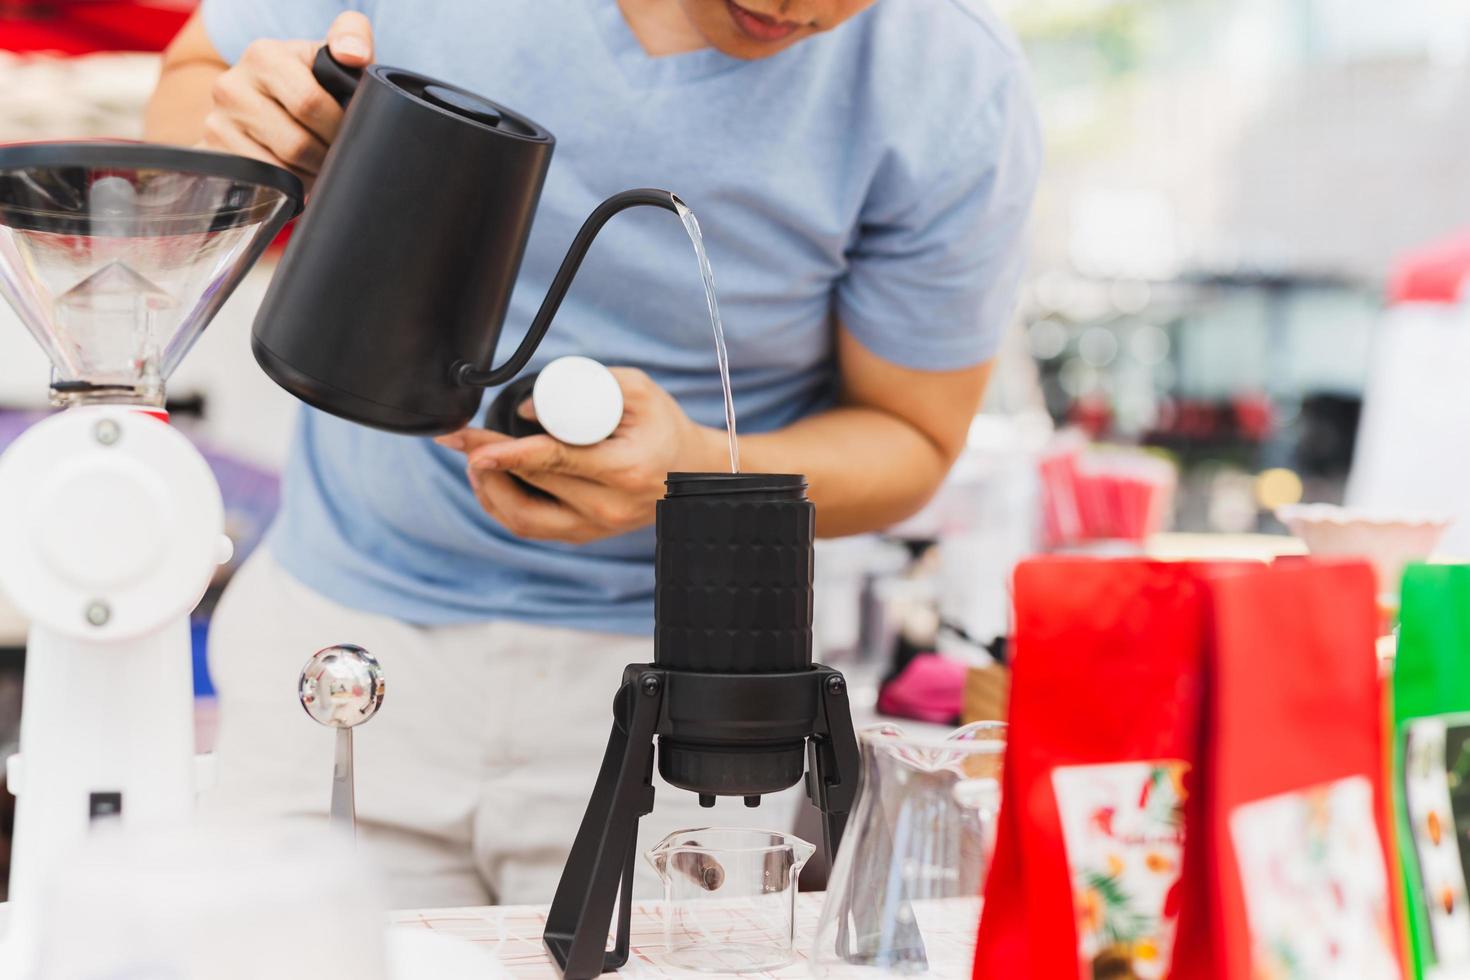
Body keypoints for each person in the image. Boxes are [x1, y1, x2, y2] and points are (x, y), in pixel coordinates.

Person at [146, 0, 1042, 908]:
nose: (795, 7)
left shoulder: (952, 80)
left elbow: (914, 436)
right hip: (341, 648)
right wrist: (252, 134)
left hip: (696, 703)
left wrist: (700, 476)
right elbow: (189, 90)